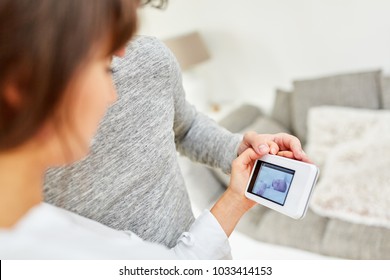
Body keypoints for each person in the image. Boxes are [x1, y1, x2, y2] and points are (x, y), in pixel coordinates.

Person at [0, 0, 306, 259]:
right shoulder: (51, 239)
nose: (125, 45)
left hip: (203, 249)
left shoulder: (152, 59)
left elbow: (185, 126)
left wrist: (235, 150)